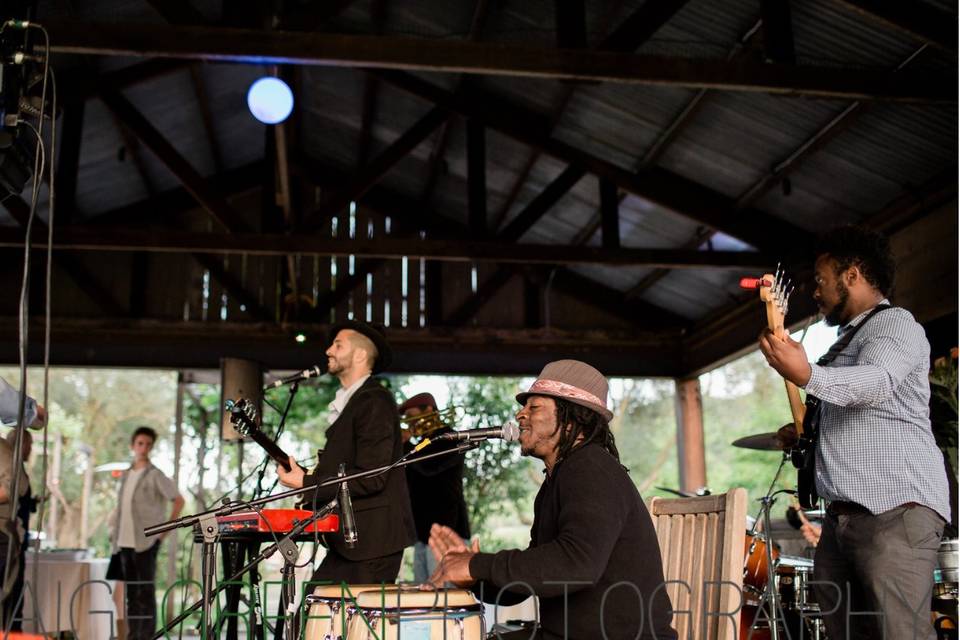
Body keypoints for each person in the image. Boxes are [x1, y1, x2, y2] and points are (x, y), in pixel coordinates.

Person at [758, 226, 950, 640]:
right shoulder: (843, 345)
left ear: (853, 274)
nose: (815, 291)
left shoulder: (895, 325)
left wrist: (806, 373)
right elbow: (847, 404)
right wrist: (808, 430)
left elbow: (876, 383)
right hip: (844, 518)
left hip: (895, 511)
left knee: (901, 633)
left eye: (821, 280)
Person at [426, 360, 676, 640]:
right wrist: (474, 576)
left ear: (573, 419)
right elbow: (539, 579)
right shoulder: (558, 479)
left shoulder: (591, 468)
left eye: (534, 407)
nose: (520, 415)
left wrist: (478, 563)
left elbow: (576, 564)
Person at [277, 320, 415, 584]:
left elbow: (372, 476)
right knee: (315, 613)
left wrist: (306, 484)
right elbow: (344, 472)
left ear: (361, 355)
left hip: (371, 544)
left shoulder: (374, 400)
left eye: (338, 345)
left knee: (327, 618)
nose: (329, 350)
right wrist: (305, 478)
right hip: (353, 544)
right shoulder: (355, 401)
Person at [109, 426, 184, 640]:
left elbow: (178, 501)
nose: (144, 448)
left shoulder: (155, 475)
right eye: (140, 443)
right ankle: (134, 637)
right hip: (123, 543)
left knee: (145, 594)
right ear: (133, 445)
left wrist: (162, 534)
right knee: (131, 595)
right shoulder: (125, 475)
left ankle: (147, 636)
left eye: (148, 444)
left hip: (146, 542)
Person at [398, 392, 470, 583]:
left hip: (447, 533)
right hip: (423, 534)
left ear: (429, 410)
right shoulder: (421, 444)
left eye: (411, 415)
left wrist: (405, 445)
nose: (408, 422)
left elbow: (427, 467)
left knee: (445, 600)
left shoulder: (450, 438)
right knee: (426, 599)